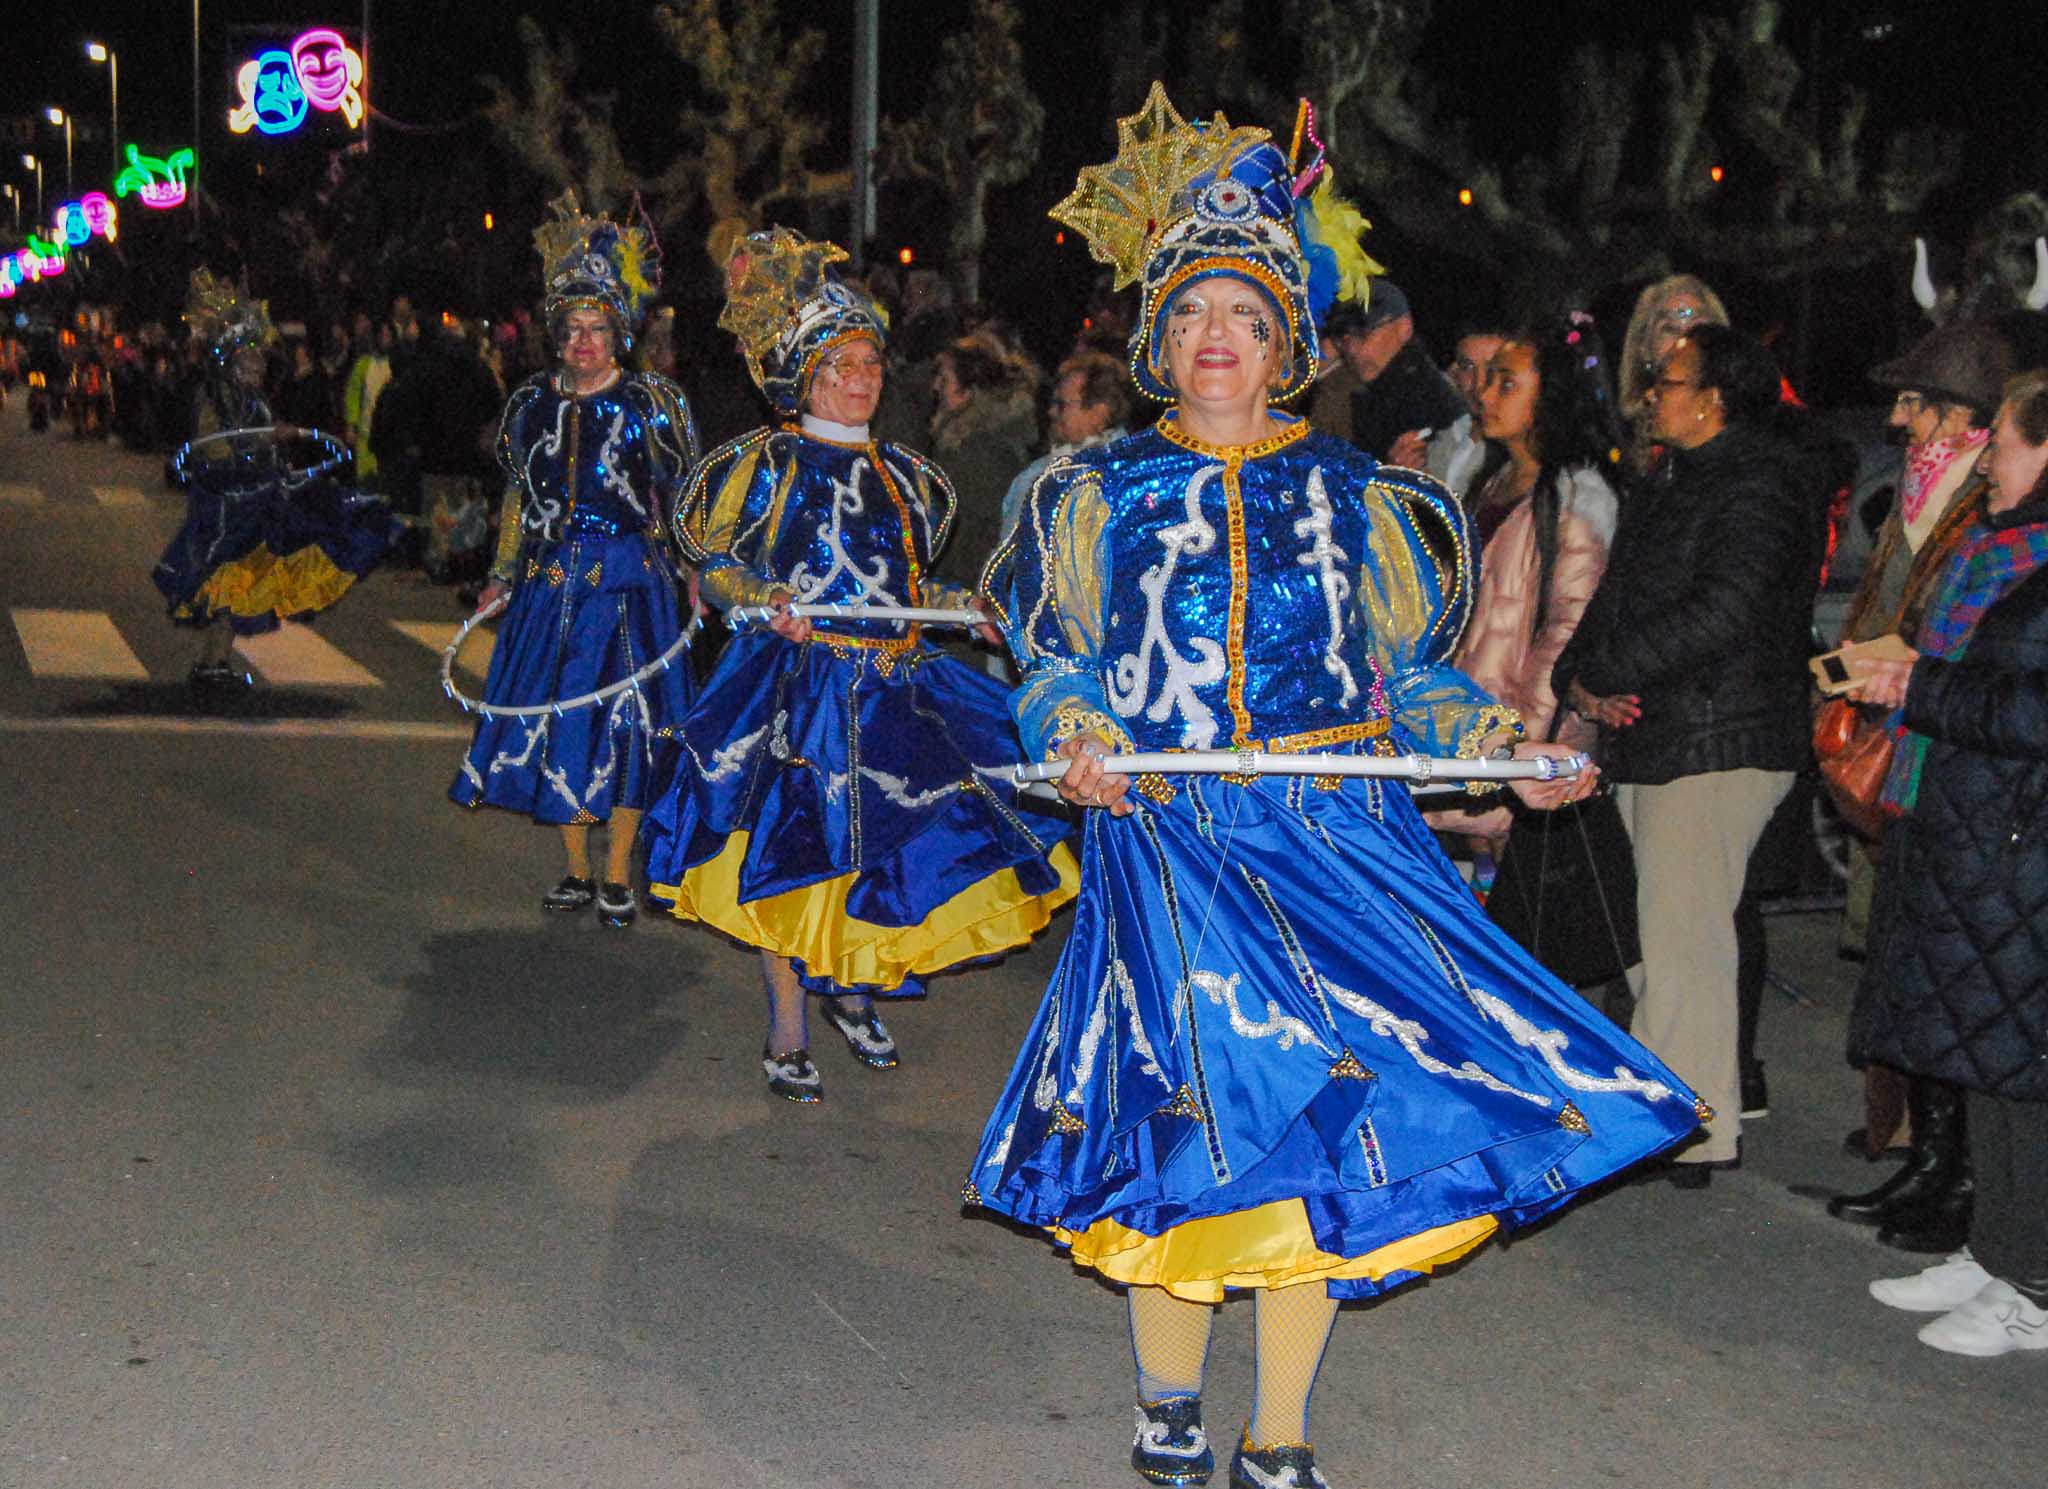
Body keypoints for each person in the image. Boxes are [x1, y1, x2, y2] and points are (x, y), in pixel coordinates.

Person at [968, 86, 1703, 1489]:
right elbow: (1057, 660)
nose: (1216, 340)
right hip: (1169, 834)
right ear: (1157, 341)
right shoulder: (1090, 492)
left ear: (1285, 339)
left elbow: (1402, 685)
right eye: (1190, 316)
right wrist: (1076, 739)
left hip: (1332, 836)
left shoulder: (1361, 498)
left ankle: (1282, 1430)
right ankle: (1167, 1404)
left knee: (1330, 1123)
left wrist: (1501, 748)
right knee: (1195, 1125)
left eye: (1241, 316)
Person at [648, 228, 1078, 1104]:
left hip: (892, 686)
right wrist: (763, 600)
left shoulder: (907, 478)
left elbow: (918, 587)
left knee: (883, 848)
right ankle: (788, 1023)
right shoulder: (766, 466)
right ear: (804, 378)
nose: (860, 378)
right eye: (840, 364)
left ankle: (848, 984)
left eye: (870, 361)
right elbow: (717, 569)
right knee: (785, 853)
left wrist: (972, 612)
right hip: (794, 693)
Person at [1554, 324, 1834, 1186]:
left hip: (1720, 739)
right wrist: (1577, 681)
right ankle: (1677, 1111)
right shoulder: (1673, 480)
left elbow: (1729, 610)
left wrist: (1608, 671)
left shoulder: (1762, 484)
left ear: (1715, 395)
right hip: (1658, 734)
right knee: (1657, 940)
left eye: (1666, 381)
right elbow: (1615, 599)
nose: (1650, 396)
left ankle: (1687, 1128)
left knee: (1683, 942)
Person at [1842, 369, 2048, 1356]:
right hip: (1984, 838)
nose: (1983, 468)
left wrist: (1925, 687)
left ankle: (2032, 1284)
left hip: (2021, 843)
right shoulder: (2010, 553)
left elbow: (2031, 711)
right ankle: (1996, 1245)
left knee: (2021, 1072)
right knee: (1988, 1058)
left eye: (1999, 445)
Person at [449, 194, 700, 927]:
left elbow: (679, 497)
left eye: (598, 329)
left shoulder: (652, 403)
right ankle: (576, 868)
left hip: (629, 583)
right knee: (561, 723)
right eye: (573, 330)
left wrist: (694, 571)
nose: (584, 342)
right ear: (556, 337)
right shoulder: (530, 404)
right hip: (550, 584)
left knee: (626, 728)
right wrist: (501, 575)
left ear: (619, 334)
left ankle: (618, 871)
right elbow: (519, 499)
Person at [1823, 321, 2013, 1216]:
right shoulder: (1923, 496)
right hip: (1903, 746)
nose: (1899, 420)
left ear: (1962, 418)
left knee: (1942, 969)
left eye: (1915, 402)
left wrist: (1895, 670)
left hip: (1943, 753)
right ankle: (1915, 1145)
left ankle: (1944, 1161)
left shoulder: (1989, 516)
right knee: (1901, 955)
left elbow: (1963, 644)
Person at [1429, 312, 1624, 866]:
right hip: (1470, 716)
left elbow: (1568, 625)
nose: (1486, 394)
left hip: (1525, 729)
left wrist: (1523, 744)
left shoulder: (1575, 497)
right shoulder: (1486, 480)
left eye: (1507, 383)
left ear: (1553, 397)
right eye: (1487, 379)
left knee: (1517, 888)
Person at [152, 270, 397, 689]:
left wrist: (273, 444)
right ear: (232, 359)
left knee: (239, 581)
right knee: (229, 580)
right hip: (230, 503)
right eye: (253, 357)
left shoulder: (247, 396)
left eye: (261, 358)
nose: (261, 364)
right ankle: (212, 662)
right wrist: (265, 440)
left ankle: (214, 660)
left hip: (253, 497)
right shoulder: (216, 395)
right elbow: (213, 448)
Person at [928, 334, 1038, 590]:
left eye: (944, 380)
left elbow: (974, 532)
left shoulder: (982, 453)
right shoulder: (960, 443)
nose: (935, 387)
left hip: (964, 587)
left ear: (968, 392)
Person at [1325, 279, 1465, 463]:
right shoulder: (1366, 392)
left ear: (1404, 328)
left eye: (1363, 334)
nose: (1351, 349)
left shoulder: (1427, 400)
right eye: (1343, 338)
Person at [1002, 349, 1133, 540]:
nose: (1052, 412)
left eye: (1062, 404)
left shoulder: (1115, 478)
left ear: (1099, 413)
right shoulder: (1045, 467)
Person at [1617, 274, 1729, 472]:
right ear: (1644, 348)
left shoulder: (1747, 430)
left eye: (1697, 327)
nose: (1684, 340)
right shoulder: (1618, 442)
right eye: (1669, 328)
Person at [1424, 319, 1511, 502]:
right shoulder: (1447, 436)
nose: (1478, 383)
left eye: (1491, 368)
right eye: (1468, 367)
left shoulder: (1519, 454)